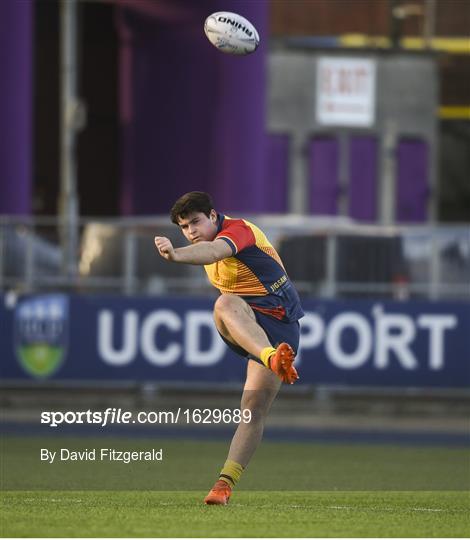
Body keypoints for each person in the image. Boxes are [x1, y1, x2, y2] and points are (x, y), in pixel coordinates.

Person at [154, 191, 304, 505]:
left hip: (280, 326)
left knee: (252, 412)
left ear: (213, 215)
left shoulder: (238, 230)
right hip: (249, 324)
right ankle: (270, 357)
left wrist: (175, 255)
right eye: (183, 227)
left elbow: (212, 252)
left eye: (195, 222)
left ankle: (223, 485)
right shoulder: (206, 243)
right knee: (225, 303)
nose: (191, 231)